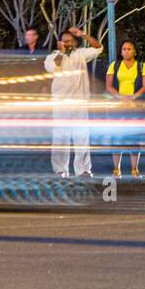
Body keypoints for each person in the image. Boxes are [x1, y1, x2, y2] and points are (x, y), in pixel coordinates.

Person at [44, 27, 102, 177]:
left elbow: (98, 47)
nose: (67, 43)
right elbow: (53, 68)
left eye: (69, 41)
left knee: (82, 136)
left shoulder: (81, 53)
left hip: (79, 102)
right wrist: (61, 52)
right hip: (60, 103)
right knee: (60, 137)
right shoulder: (53, 56)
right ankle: (60, 170)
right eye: (64, 41)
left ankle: (83, 170)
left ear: (75, 42)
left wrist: (83, 34)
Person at [105, 39, 145, 178]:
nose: (126, 51)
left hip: (134, 107)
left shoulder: (141, 66)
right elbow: (109, 85)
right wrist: (120, 97)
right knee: (116, 137)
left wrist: (133, 97)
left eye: (129, 49)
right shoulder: (115, 65)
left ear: (134, 51)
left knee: (133, 138)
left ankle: (134, 169)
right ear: (121, 51)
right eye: (124, 49)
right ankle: (116, 169)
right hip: (118, 107)